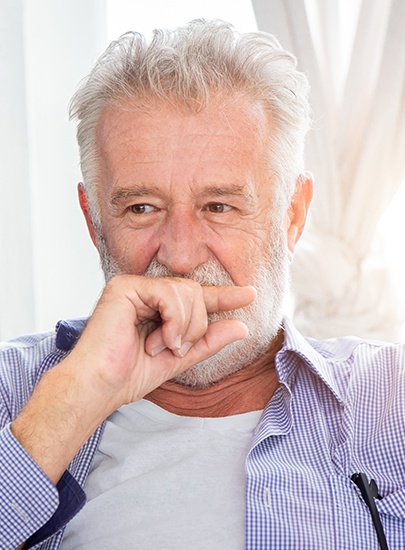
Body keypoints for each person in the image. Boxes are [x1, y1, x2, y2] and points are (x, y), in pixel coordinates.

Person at [0, 18, 404, 550]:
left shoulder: (389, 401)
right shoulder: (13, 393)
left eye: (220, 206)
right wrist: (73, 401)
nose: (182, 255)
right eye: (142, 208)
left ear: (293, 216)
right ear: (93, 220)